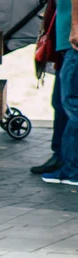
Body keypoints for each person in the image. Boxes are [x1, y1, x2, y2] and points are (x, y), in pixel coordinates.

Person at [41, 0, 78, 185]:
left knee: (71, 104)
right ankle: (64, 158)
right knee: (63, 102)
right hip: (65, 42)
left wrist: (75, 29)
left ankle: (73, 168)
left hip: (73, 42)